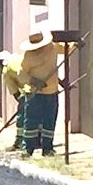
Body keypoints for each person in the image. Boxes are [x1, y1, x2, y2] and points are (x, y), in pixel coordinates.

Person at [16, 29, 73, 157]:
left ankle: (47, 148)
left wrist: (76, 44)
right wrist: (34, 81)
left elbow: (66, 48)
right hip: (34, 94)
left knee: (49, 120)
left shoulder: (52, 47)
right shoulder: (28, 56)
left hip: (51, 92)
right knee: (31, 121)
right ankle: (27, 148)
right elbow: (21, 74)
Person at [0, 50, 28, 150]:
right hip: (39, 89)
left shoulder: (6, 71)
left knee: (22, 118)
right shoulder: (19, 58)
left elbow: (15, 92)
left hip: (26, 92)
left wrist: (22, 102)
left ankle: (20, 141)